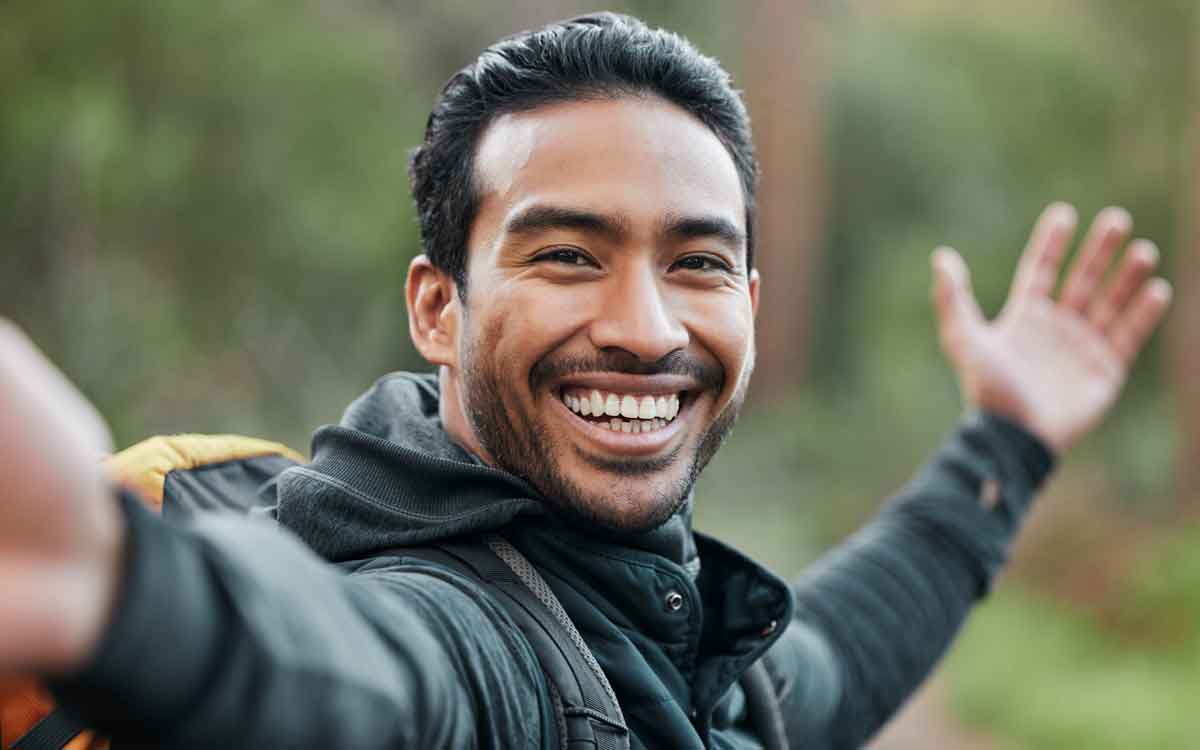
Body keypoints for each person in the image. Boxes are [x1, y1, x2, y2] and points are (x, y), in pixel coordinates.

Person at [0, 12, 1173, 750]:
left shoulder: (664, 627)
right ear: (437, 306)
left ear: (749, 310)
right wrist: (121, 592)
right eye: (568, 255)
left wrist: (1006, 443)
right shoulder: (466, 638)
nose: (645, 327)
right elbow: (357, 675)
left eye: (698, 263)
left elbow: (825, 670)